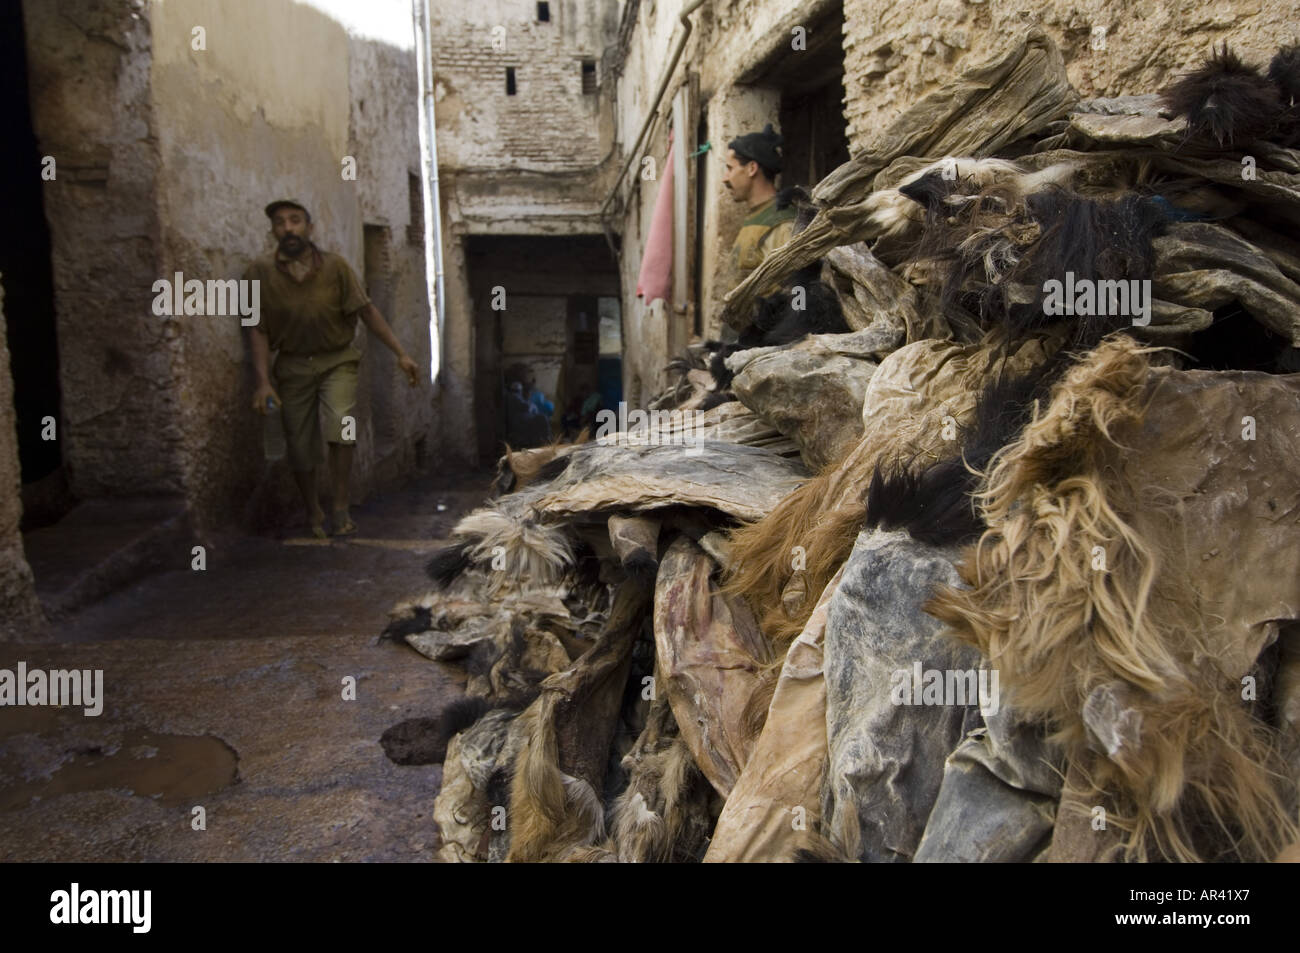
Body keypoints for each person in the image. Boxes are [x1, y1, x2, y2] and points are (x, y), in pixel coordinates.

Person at [245, 199, 418, 538]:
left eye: (295, 221)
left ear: (310, 228)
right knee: (299, 444)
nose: (288, 228)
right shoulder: (259, 273)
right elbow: (257, 328)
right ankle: (313, 510)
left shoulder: (336, 267)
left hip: (337, 359)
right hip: (293, 365)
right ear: (273, 231)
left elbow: (367, 312)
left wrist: (400, 353)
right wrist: (263, 382)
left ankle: (340, 505)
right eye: (280, 223)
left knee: (343, 425)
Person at [721, 123, 798, 335]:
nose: (725, 178)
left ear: (752, 168)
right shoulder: (756, 216)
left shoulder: (783, 222)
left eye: (730, 168)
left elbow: (798, 293)